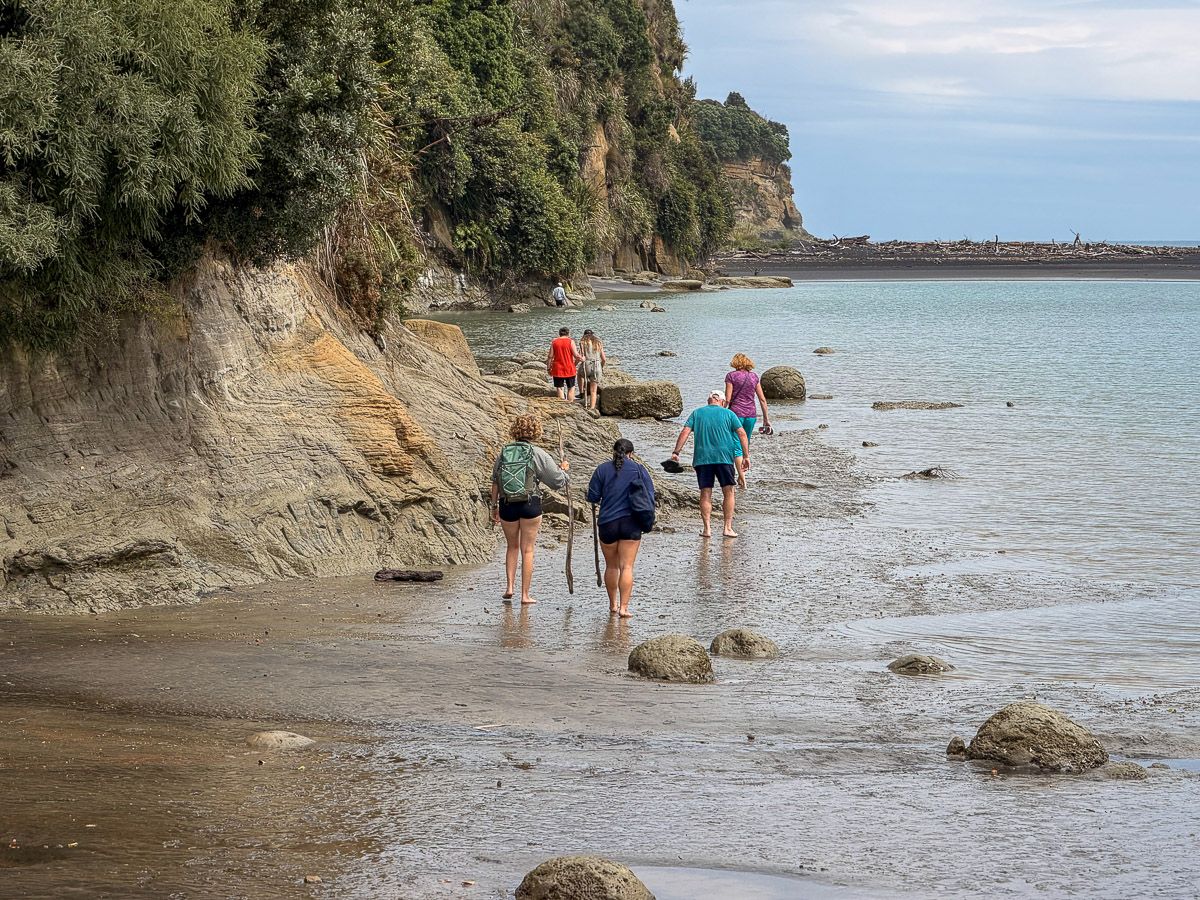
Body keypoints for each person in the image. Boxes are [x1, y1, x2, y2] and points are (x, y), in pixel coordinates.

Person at [491, 414, 570, 605]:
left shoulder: (504, 452)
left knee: (512, 547)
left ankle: (509, 587)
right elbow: (557, 481)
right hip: (530, 504)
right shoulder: (538, 453)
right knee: (528, 550)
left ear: (515, 430)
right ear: (535, 432)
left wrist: (494, 506)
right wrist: (564, 470)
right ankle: (525, 595)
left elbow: (495, 481)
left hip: (507, 504)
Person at [586, 439, 655, 618]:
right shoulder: (639, 470)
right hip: (631, 523)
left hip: (607, 523)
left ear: (613, 452)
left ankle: (612, 605)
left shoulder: (602, 469)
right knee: (627, 567)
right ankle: (624, 608)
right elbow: (650, 495)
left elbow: (592, 496)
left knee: (611, 566)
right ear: (631, 453)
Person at [670, 391, 749, 538]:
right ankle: (727, 528)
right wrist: (745, 456)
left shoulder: (697, 413)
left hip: (702, 459)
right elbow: (742, 434)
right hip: (724, 458)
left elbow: (685, 432)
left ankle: (707, 529)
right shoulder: (729, 414)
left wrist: (676, 452)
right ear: (721, 401)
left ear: (709, 400)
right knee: (729, 492)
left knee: (705, 493)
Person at [724, 353, 770, 489]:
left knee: (737, 446)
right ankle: (740, 475)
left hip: (735, 414)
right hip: (751, 414)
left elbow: (727, 398)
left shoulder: (731, 376)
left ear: (735, 363)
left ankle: (742, 479)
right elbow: (762, 399)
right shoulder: (754, 376)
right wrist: (766, 420)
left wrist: (719, 412)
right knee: (745, 444)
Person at [546, 326, 582, 402]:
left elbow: (550, 356)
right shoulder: (570, 341)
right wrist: (581, 359)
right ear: (568, 333)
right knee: (571, 387)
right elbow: (576, 355)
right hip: (569, 367)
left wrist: (548, 368)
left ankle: (562, 403)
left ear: (559, 334)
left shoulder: (554, 342)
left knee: (559, 387)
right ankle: (570, 403)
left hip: (557, 368)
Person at [578, 329, 607, 411]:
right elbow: (604, 359)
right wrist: (601, 367)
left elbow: (581, 355)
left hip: (586, 365)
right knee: (593, 390)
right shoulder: (598, 343)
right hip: (597, 365)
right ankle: (592, 408)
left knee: (579, 375)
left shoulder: (582, 343)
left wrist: (574, 364)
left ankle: (581, 392)